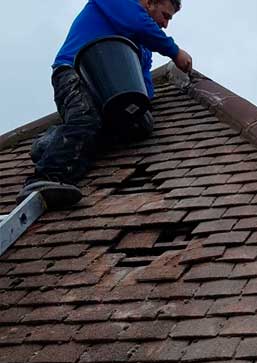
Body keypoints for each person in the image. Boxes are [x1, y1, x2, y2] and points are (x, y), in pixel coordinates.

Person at [16, 0, 193, 208]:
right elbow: (137, 22)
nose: (165, 25)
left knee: (139, 125)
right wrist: (175, 51)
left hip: (108, 89)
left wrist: (142, 107)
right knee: (85, 118)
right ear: (148, 2)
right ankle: (45, 177)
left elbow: (142, 83)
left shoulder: (142, 48)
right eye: (166, 16)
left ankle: (54, 141)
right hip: (75, 72)